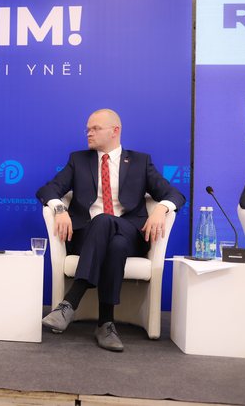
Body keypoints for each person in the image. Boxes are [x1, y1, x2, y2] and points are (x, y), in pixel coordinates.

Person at [37, 108, 185, 352]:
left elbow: (175, 194)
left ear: (115, 131)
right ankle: (106, 324)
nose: (89, 133)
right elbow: (48, 189)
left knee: (108, 223)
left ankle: (70, 303)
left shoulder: (140, 161)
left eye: (95, 128)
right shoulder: (78, 160)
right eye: (87, 129)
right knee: (113, 242)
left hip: (131, 234)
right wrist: (59, 209)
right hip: (87, 237)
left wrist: (161, 208)